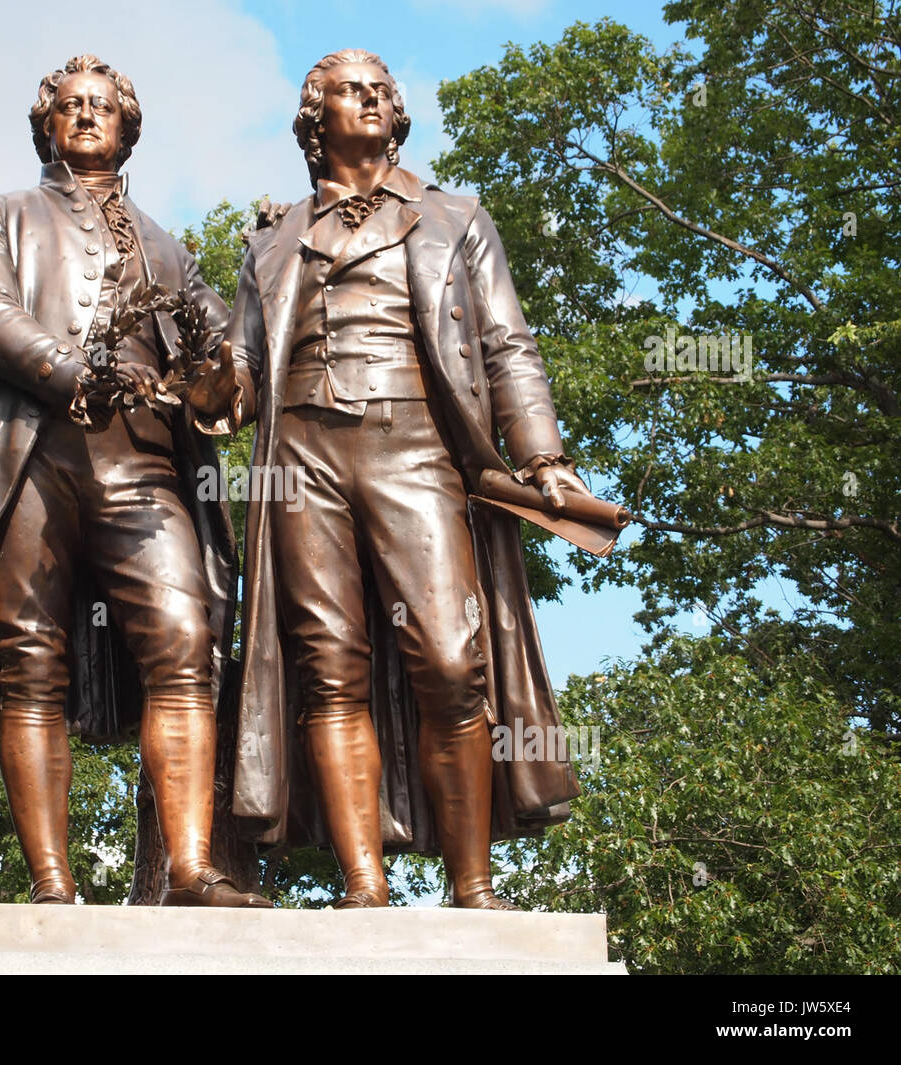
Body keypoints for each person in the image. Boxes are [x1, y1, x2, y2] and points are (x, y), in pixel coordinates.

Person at [187, 49, 591, 908]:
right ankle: (362, 885)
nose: (370, 98)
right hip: (301, 460)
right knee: (328, 668)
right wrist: (215, 382)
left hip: (417, 448)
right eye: (348, 90)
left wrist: (543, 455)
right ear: (313, 118)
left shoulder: (456, 217)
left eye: (382, 90)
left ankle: (471, 884)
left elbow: (506, 345)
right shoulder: (271, 237)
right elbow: (243, 379)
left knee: (451, 663)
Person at [0, 54, 268, 908]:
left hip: (144, 466)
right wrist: (64, 368)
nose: (87, 117)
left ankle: (191, 868)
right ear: (46, 125)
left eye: (103, 107)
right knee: (30, 660)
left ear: (128, 128)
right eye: (71, 107)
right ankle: (52, 882)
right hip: (33, 454)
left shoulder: (170, 247)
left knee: (185, 642)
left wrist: (217, 376)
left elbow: (222, 378)